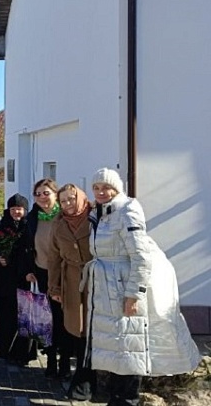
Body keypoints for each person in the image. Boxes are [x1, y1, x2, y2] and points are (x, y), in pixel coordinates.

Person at [87, 169, 199, 406]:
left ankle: (128, 400)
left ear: (117, 189)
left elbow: (141, 256)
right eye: (96, 187)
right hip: (106, 288)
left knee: (130, 345)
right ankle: (116, 398)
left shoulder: (127, 210)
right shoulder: (102, 212)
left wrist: (133, 294)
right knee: (116, 346)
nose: (100, 192)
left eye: (106, 187)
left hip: (122, 287)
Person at [47, 184, 94, 400]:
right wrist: (54, 287)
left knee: (94, 331)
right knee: (77, 329)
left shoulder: (95, 219)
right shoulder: (59, 224)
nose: (67, 204)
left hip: (95, 280)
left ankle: (86, 381)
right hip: (72, 280)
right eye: (63, 201)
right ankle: (81, 380)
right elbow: (54, 258)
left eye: (71, 199)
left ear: (81, 198)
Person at [25, 178, 71, 377]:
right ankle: (51, 360)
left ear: (55, 194)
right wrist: (28, 269)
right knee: (47, 319)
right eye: (38, 194)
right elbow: (26, 247)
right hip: (42, 273)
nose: (42, 197)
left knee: (65, 320)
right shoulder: (32, 217)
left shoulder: (64, 216)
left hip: (65, 274)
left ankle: (66, 362)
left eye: (46, 193)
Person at [0, 193, 35, 364]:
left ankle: (23, 352)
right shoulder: (0, 226)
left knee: (23, 316)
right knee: (4, 315)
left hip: (23, 277)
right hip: (3, 278)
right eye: (13, 209)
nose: (17, 212)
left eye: (20, 209)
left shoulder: (29, 226)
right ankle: (4, 349)